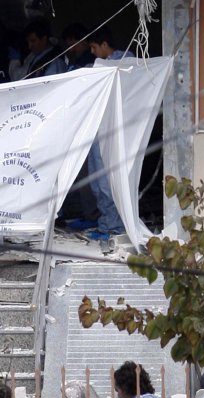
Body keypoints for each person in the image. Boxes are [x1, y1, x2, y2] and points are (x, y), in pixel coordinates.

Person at [83, 26, 130, 241]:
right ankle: (106, 223)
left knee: (108, 182)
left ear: (104, 44)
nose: (92, 52)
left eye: (93, 47)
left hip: (114, 132)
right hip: (98, 130)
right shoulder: (98, 65)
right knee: (98, 181)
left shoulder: (126, 60)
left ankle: (115, 227)